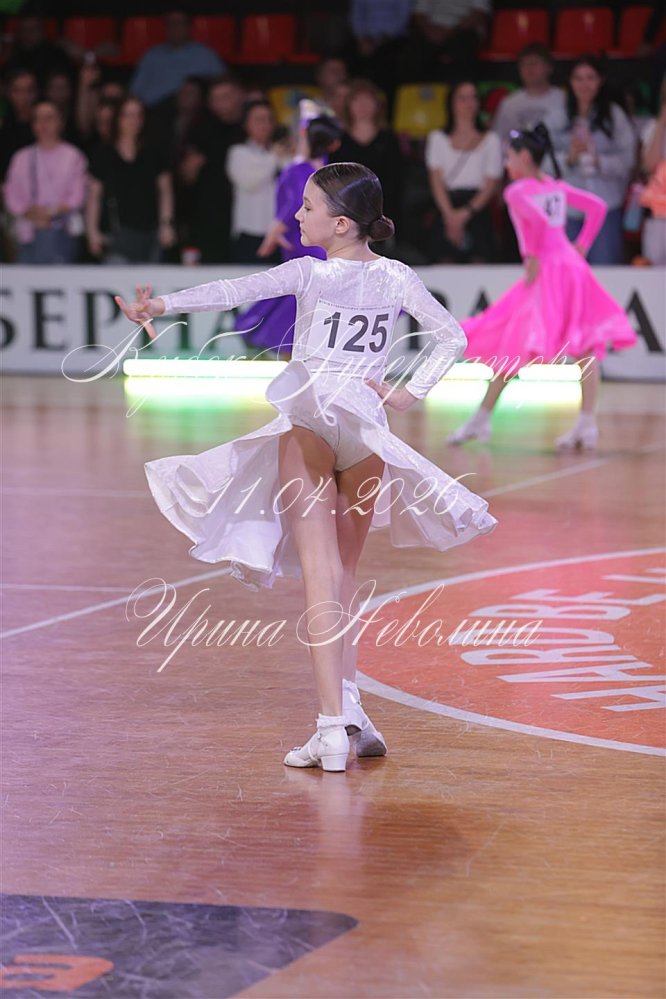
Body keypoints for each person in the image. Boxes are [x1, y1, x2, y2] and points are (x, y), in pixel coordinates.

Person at [114, 162, 498, 772]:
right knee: (343, 577)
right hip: (367, 429)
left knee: (322, 576)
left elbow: (235, 290)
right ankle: (351, 709)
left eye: (309, 206)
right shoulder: (397, 276)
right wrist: (407, 395)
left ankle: (329, 731)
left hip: (315, 420)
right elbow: (452, 337)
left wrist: (160, 303)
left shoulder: (309, 272)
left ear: (341, 224)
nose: (297, 215)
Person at [447, 124, 638, 452]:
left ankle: (482, 418)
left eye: (509, 157)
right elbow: (597, 207)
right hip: (571, 268)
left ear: (524, 156)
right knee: (582, 347)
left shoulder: (517, 191)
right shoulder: (555, 186)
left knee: (514, 342)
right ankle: (586, 423)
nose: (506, 164)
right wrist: (582, 244)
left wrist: (531, 254)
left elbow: (534, 222)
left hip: (547, 271)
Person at [235, 114, 343, 357]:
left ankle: (294, 358)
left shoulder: (298, 169)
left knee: (299, 300)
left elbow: (294, 204)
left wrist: (273, 233)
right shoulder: (329, 171)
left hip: (302, 240)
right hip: (319, 242)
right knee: (309, 301)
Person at [549, 56, 637, 264]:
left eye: (590, 78)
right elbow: (541, 162)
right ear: (570, 82)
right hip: (567, 209)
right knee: (568, 269)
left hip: (605, 205)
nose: (584, 84)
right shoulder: (556, 116)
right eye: (578, 78)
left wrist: (599, 161)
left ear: (600, 81)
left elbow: (628, 160)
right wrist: (569, 157)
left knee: (604, 268)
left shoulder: (614, 115)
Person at [86, 97, 175, 264]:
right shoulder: (103, 153)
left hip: (150, 233)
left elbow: (166, 191)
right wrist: (92, 232)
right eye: (128, 115)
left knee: (150, 279)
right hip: (115, 235)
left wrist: (166, 224)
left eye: (138, 115)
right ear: (118, 118)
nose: (134, 120)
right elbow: (94, 195)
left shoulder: (154, 151)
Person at [425, 79, 502, 263]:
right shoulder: (437, 138)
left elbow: (490, 184)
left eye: (473, 98)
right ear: (451, 103)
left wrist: (465, 214)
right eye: (462, 98)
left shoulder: (491, 140)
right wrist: (450, 216)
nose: (469, 103)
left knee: (479, 261)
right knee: (444, 262)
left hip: (477, 208)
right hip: (447, 206)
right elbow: (436, 180)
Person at [4, 100, 87, 264]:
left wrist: (49, 213)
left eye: (49, 118)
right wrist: (30, 213)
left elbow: (77, 196)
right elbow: (12, 195)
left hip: (61, 232)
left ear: (60, 122)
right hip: (27, 233)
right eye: (38, 119)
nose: (43, 124)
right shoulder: (21, 157)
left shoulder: (73, 156)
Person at [180, 74, 246, 264]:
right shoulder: (201, 129)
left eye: (225, 97)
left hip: (247, 211)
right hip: (211, 213)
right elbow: (186, 177)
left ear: (240, 96)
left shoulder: (250, 127)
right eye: (215, 98)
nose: (220, 103)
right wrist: (189, 168)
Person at [330, 79, 404, 239]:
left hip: (385, 209)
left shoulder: (388, 139)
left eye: (368, 100)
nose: (363, 106)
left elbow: (396, 178)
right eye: (357, 100)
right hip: (347, 209)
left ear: (377, 105)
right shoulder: (338, 140)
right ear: (348, 105)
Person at [226, 99, 293, 263]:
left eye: (269, 119)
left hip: (281, 232)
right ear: (246, 124)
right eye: (258, 119)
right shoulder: (239, 153)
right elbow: (249, 182)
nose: (265, 124)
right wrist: (274, 157)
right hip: (250, 232)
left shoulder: (284, 154)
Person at [129, 8, 225, 109]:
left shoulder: (205, 55)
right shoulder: (151, 56)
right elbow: (135, 92)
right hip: (154, 110)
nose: (175, 27)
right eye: (170, 24)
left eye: (179, 23)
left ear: (189, 27)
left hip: (193, 113)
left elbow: (223, 83)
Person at [492, 44, 565, 144]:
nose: (529, 68)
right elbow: (498, 139)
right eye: (524, 64)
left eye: (534, 63)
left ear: (549, 67)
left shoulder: (563, 99)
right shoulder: (509, 103)